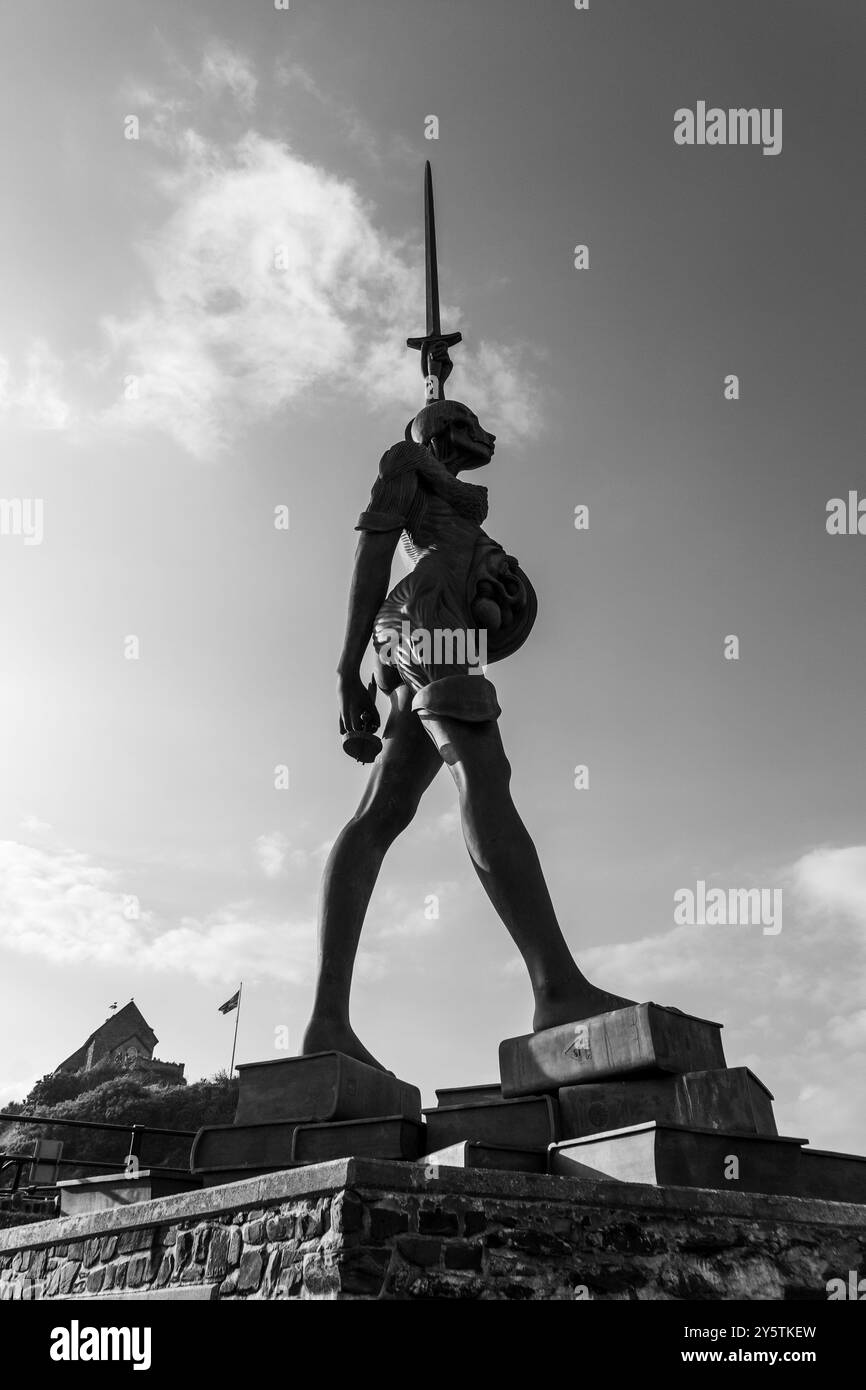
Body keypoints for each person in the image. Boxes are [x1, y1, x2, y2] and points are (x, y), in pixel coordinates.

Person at [302, 348, 631, 1070]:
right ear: (447, 431)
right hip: (429, 621)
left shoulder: (438, 478)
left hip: (430, 625)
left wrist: (434, 375)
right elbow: (371, 556)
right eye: (472, 427)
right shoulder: (407, 464)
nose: (487, 440)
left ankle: (327, 1025)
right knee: (483, 768)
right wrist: (344, 671)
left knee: (383, 810)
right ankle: (557, 987)